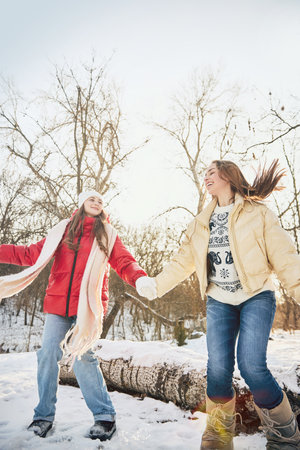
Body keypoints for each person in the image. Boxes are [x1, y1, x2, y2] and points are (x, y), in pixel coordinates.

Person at [136, 160, 300, 449]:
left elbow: (285, 258)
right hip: (219, 300)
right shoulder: (201, 223)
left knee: (252, 365)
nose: (206, 177)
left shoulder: (259, 214)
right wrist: (156, 285)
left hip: (256, 296)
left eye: (212, 171)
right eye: (205, 173)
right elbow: (181, 262)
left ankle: (284, 435)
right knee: (218, 369)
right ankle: (219, 434)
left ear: (228, 175)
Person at [0, 190, 149, 441]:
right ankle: (43, 416)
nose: (97, 202)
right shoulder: (63, 230)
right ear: (81, 203)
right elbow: (30, 254)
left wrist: (140, 277)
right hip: (58, 306)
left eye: (100, 200)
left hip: (87, 307)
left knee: (84, 358)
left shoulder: (107, 234)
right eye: (92, 198)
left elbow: (124, 261)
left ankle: (104, 416)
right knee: (47, 354)